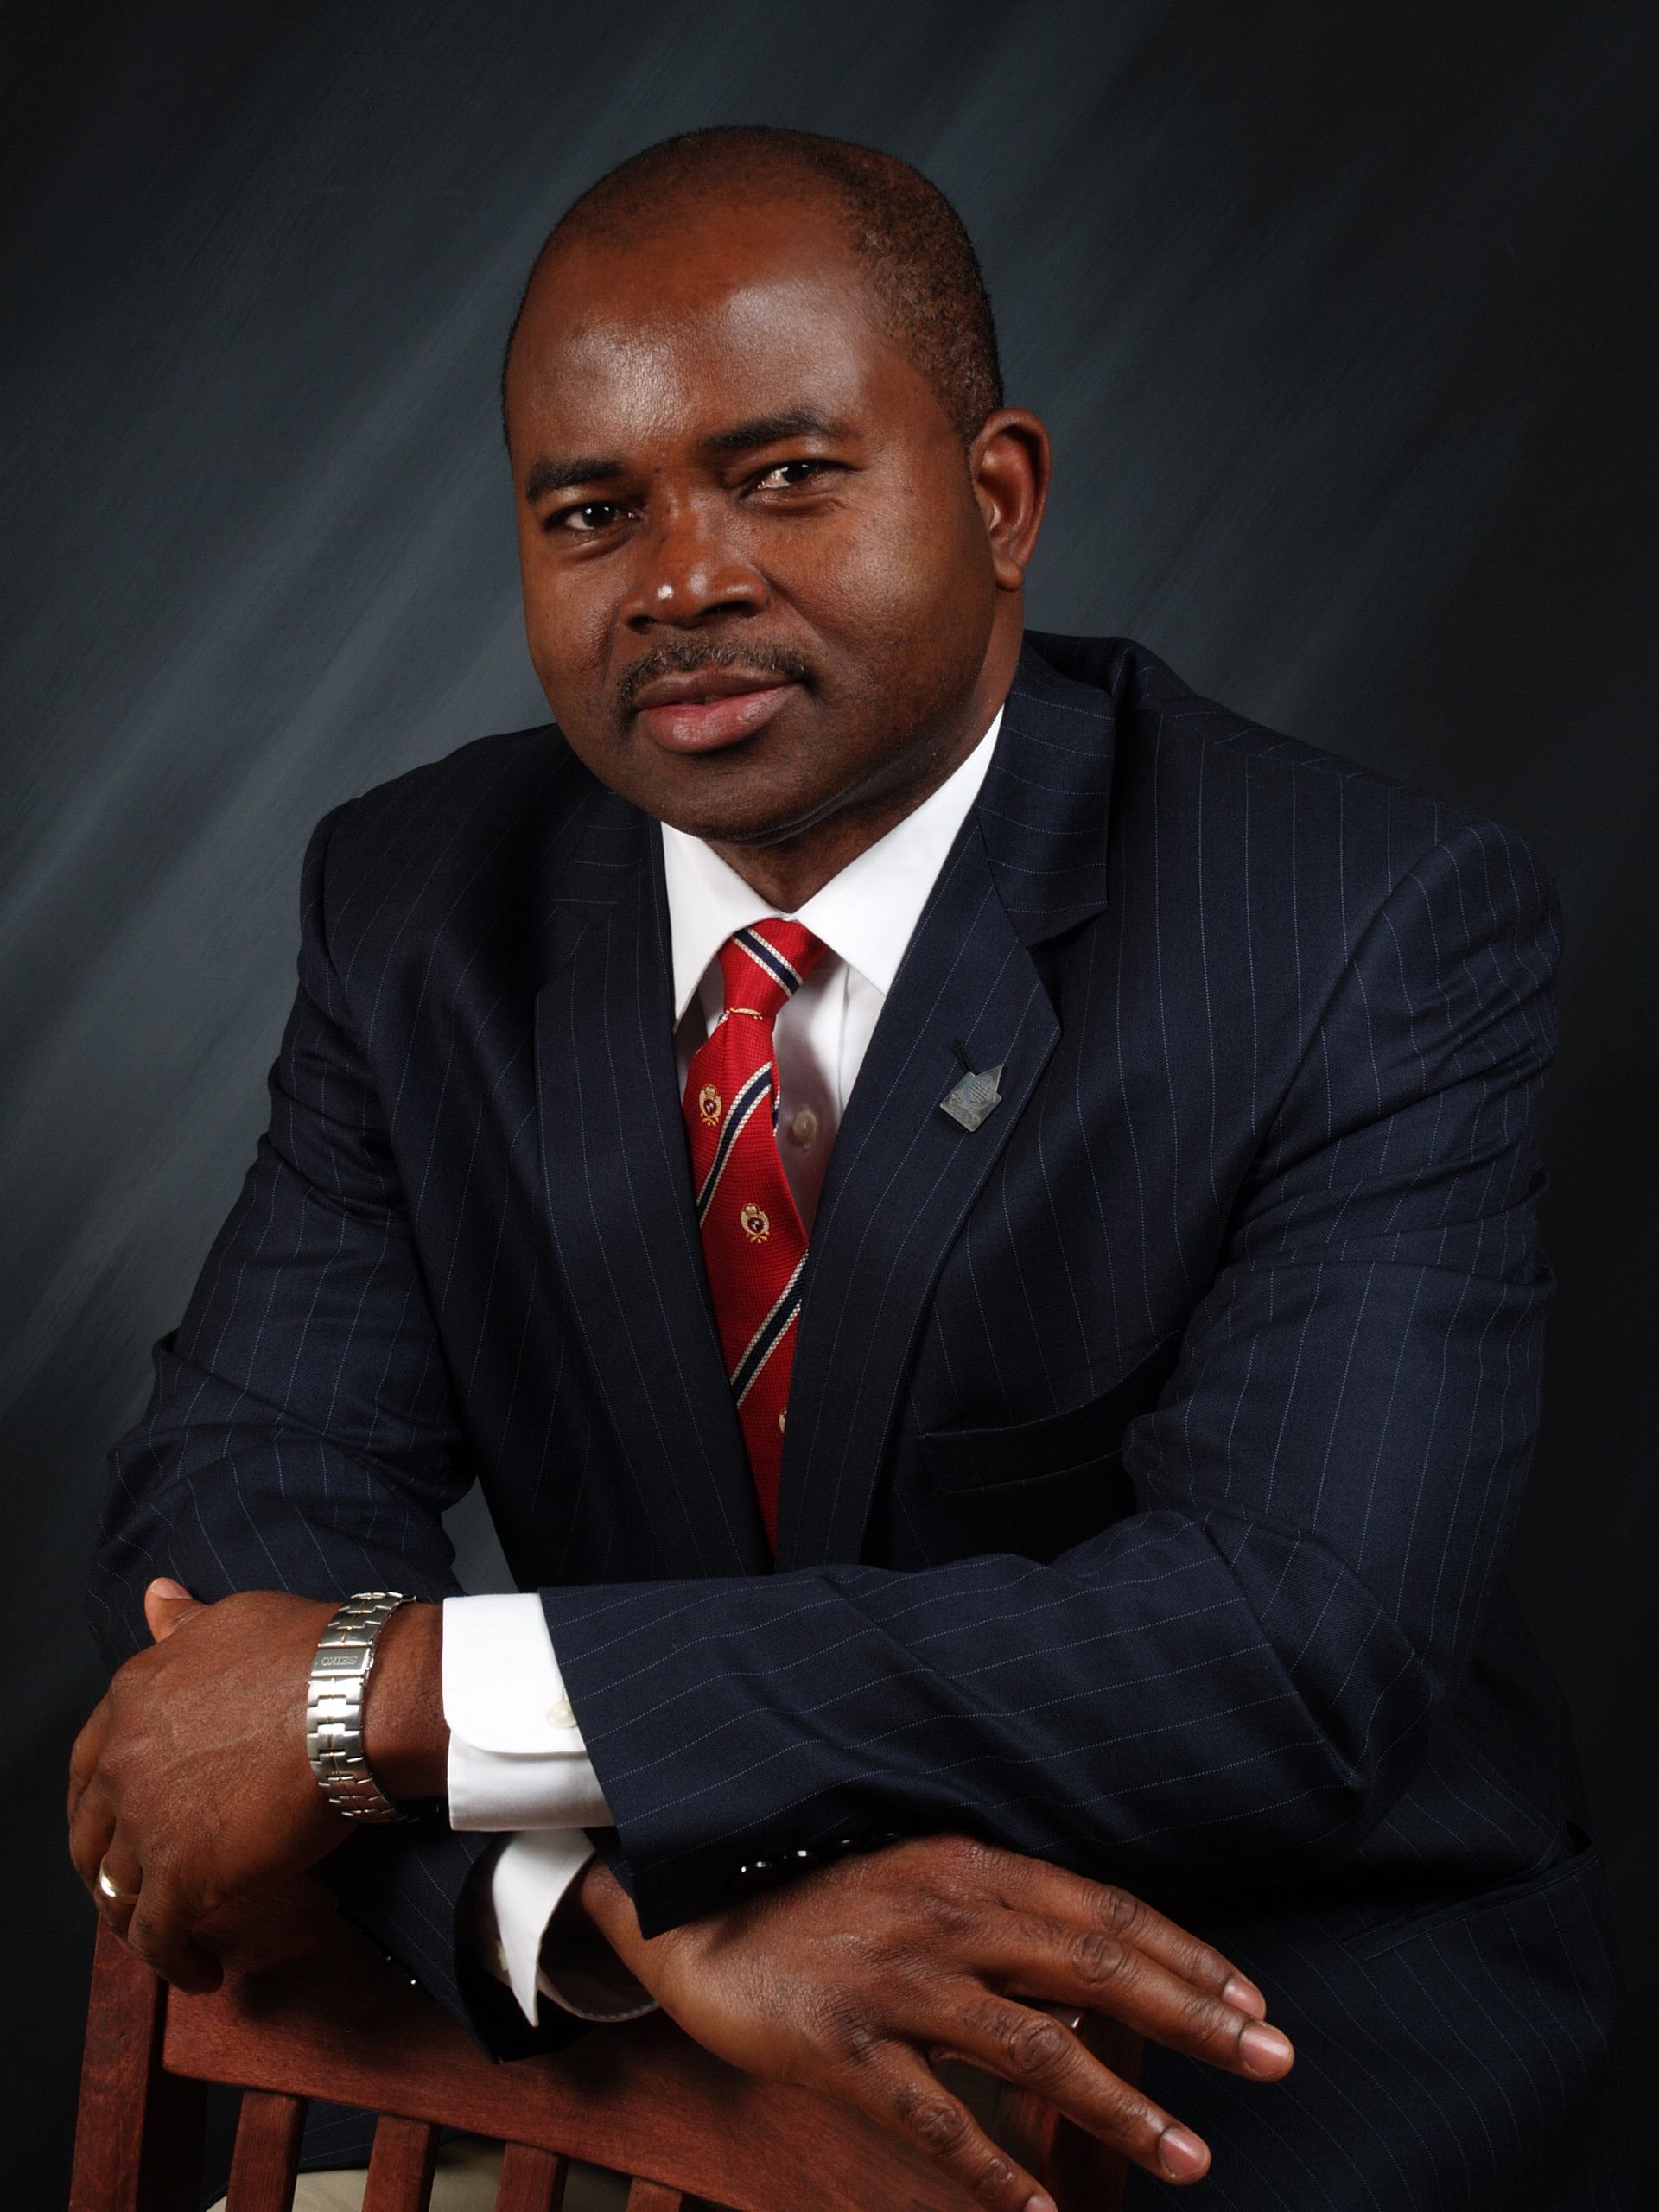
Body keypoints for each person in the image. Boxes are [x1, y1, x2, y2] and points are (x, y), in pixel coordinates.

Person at [68, 126, 1625, 2209]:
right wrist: (636, 1937)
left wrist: (408, 1687)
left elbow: (1275, 1653)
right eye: (590, 510)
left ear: (998, 500)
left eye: (783, 475)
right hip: (648, 2087)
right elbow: (232, 1554)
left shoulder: (1358, 923)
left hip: (1239, 2077)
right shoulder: (419, 902)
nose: (684, 576)